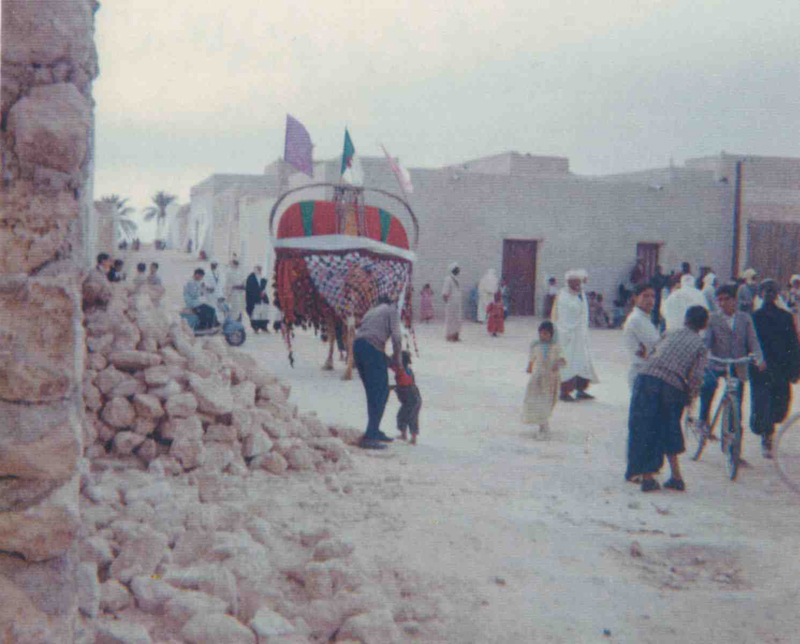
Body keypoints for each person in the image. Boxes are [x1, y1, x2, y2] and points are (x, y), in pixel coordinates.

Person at [626, 305, 709, 492]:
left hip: (646, 378)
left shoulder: (670, 332)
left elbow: (654, 351)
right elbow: (696, 377)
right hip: (672, 387)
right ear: (704, 325)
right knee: (670, 429)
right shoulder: (701, 346)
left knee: (646, 428)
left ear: (686, 319)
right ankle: (676, 476)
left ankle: (646, 476)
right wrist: (690, 397)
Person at [698, 284, 765, 442]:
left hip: (737, 364)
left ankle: (733, 446)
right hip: (717, 362)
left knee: (737, 404)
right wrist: (705, 355)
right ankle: (703, 420)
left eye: (726, 299)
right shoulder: (713, 318)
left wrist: (759, 358)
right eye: (719, 300)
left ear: (735, 300)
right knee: (708, 385)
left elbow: (753, 341)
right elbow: (706, 341)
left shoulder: (745, 318)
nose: (722, 303)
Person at [750, 279, 800, 459]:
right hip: (762, 369)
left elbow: (794, 344)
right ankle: (766, 437)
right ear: (761, 294)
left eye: (773, 290)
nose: (769, 294)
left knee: (780, 407)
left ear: (777, 294)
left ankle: (768, 431)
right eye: (766, 290)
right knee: (764, 405)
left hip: (781, 368)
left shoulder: (785, 317)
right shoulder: (754, 317)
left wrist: (795, 370)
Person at [353, 297, 403, 449]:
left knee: (372, 393)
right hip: (372, 349)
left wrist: (389, 361)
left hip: (358, 347)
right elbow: (397, 338)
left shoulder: (371, 311)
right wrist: (398, 362)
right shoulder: (392, 309)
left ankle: (374, 430)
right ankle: (369, 436)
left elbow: (368, 338)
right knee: (381, 393)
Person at [551, 269, 599, 402]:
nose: (579, 285)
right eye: (575, 282)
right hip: (567, 335)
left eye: (580, 282)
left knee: (583, 362)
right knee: (568, 362)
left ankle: (581, 389)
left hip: (580, 334)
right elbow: (563, 315)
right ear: (569, 282)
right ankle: (564, 391)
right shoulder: (563, 295)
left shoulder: (580, 293)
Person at [523, 321, 566, 438]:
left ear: (552, 334)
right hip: (539, 377)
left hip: (551, 378)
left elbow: (563, 359)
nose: (543, 336)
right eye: (541, 334)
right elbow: (532, 358)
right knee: (539, 400)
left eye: (546, 334)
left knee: (549, 401)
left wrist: (558, 363)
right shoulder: (536, 345)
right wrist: (530, 366)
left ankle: (544, 422)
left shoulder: (556, 346)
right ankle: (543, 425)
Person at [623, 284, 660, 390]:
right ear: (635, 298)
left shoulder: (645, 318)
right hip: (642, 373)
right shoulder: (637, 319)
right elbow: (657, 344)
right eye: (645, 296)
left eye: (653, 296)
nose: (650, 300)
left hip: (649, 372)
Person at [390, 350, 422, 445]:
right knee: (403, 416)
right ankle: (405, 435)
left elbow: (404, 384)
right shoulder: (407, 370)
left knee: (410, 417)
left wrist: (392, 387)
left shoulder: (401, 371)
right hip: (413, 397)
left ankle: (412, 438)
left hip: (411, 399)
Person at [246, 265, 270, 334]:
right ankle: (255, 328)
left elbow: (264, 287)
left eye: (260, 269)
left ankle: (264, 327)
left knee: (264, 312)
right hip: (254, 299)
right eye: (258, 268)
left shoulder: (262, 277)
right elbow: (250, 289)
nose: (259, 270)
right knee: (255, 313)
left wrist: (263, 292)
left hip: (262, 298)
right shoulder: (251, 277)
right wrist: (258, 293)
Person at [442, 262, 463, 342]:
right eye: (457, 268)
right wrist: (448, 303)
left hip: (457, 303)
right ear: (453, 270)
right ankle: (449, 336)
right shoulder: (448, 279)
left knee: (458, 320)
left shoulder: (458, 279)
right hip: (451, 303)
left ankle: (456, 336)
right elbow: (445, 292)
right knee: (451, 320)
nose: (459, 270)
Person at [225, 256, 246, 321]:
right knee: (232, 310)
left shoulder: (240, 271)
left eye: (237, 262)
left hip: (240, 294)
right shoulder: (228, 271)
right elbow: (227, 284)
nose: (236, 264)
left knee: (239, 309)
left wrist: (243, 286)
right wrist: (235, 287)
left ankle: (237, 325)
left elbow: (243, 282)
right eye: (234, 262)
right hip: (232, 294)